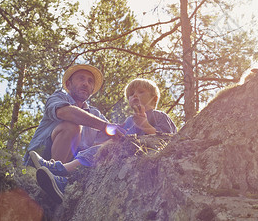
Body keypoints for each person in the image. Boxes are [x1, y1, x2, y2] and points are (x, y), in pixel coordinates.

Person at [29, 78, 177, 204]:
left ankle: (60, 170)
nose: (135, 96)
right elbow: (119, 136)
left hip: (143, 154)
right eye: (131, 94)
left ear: (154, 98)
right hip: (124, 156)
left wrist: (144, 125)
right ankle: (63, 182)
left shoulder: (158, 115)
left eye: (141, 92)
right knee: (99, 152)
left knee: (102, 149)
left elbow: (167, 139)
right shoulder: (129, 120)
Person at [23, 64, 119, 167]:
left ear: (92, 90)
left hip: (69, 168)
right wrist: (104, 126)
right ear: (68, 84)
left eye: (90, 81)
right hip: (37, 159)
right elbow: (65, 112)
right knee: (72, 126)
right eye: (81, 79)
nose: (85, 83)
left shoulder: (96, 114)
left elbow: (115, 133)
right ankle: (53, 172)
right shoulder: (57, 97)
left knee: (113, 140)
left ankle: (59, 175)